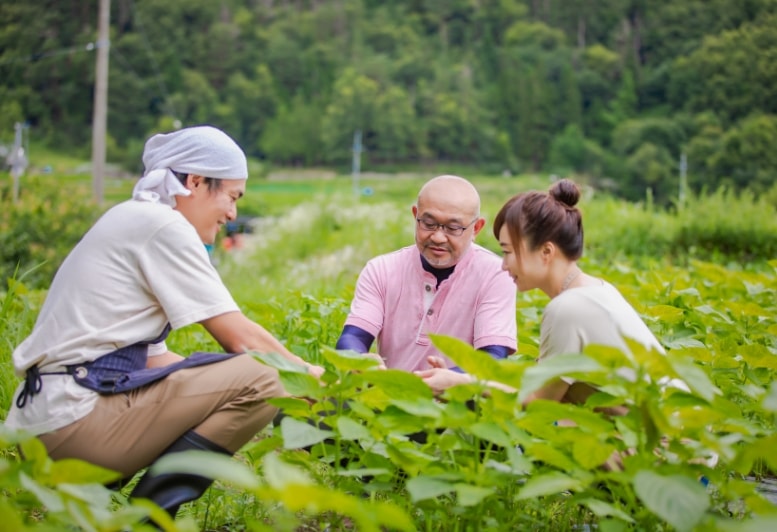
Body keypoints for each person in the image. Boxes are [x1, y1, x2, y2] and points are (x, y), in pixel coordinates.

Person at [4, 125, 324, 521]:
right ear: (194, 182)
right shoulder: (163, 225)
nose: (232, 213)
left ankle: (122, 517)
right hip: (73, 423)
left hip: (45, 427)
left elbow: (155, 360)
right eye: (231, 196)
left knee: (240, 375)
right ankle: (148, 523)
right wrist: (313, 380)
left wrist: (220, 383)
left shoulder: (135, 219)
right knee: (266, 374)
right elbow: (240, 339)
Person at [417, 178, 663, 410]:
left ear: (546, 251)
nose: (503, 265)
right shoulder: (594, 289)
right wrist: (457, 377)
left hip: (661, 443)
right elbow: (537, 384)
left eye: (508, 252)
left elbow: (538, 402)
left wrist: (462, 383)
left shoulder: (568, 307)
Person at [335, 174, 517, 373]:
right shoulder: (382, 270)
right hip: (388, 395)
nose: (438, 237)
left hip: (458, 400)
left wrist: (450, 379)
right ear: (415, 215)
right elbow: (353, 337)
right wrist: (360, 360)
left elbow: (494, 357)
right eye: (428, 224)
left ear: (476, 228)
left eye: (453, 228)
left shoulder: (495, 274)